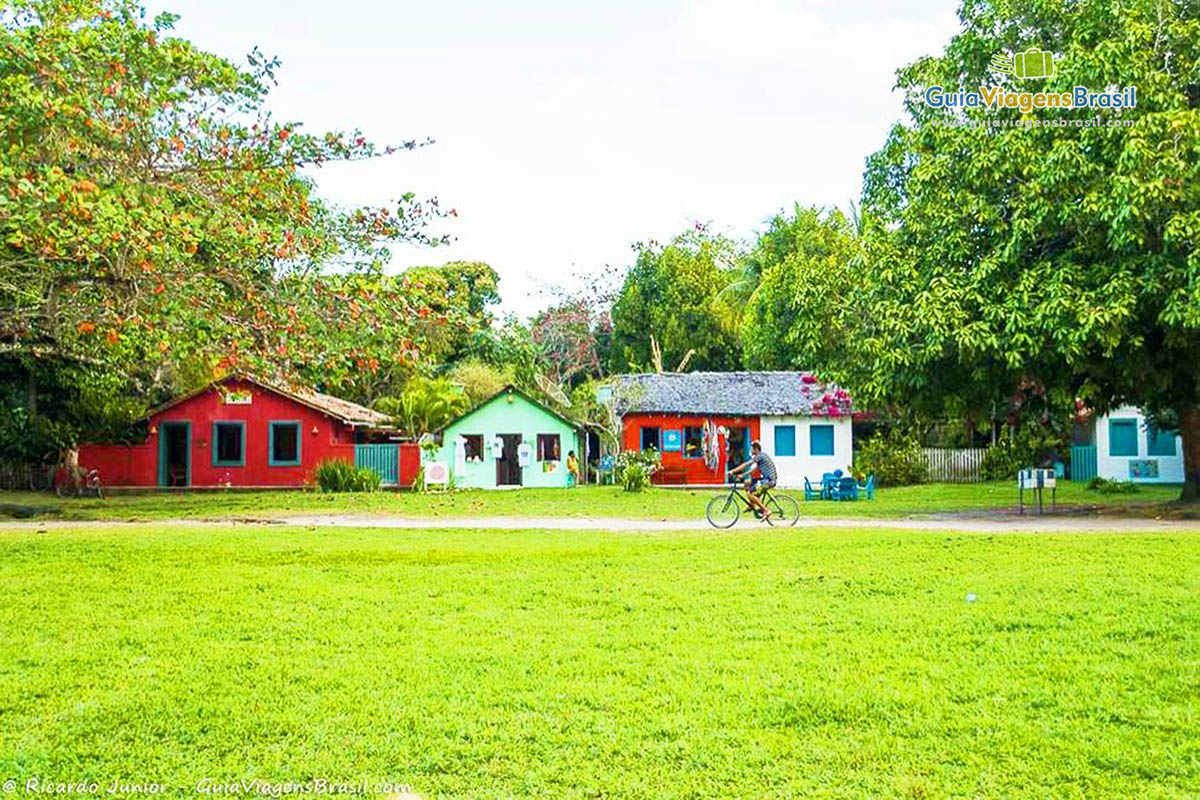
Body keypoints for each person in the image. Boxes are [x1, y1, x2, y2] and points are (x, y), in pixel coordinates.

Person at [728, 440, 777, 522]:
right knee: (746, 482)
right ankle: (752, 505)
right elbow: (754, 469)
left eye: (751, 449)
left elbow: (746, 464)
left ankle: (766, 510)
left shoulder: (760, 456)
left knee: (751, 494)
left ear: (756, 449)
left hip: (769, 481)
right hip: (765, 479)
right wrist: (743, 475)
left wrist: (733, 471)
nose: (750, 450)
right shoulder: (761, 457)